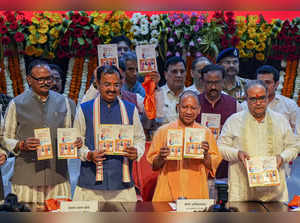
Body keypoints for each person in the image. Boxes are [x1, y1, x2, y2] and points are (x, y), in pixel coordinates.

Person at [2, 60, 82, 203]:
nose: (46, 82)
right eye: (40, 79)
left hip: (58, 176)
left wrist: (76, 141)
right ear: (29, 80)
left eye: (49, 78)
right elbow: (6, 138)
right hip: (26, 177)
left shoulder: (65, 102)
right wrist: (21, 145)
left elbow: (71, 133)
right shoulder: (16, 103)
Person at [73, 65, 145, 201]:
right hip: (90, 184)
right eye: (107, 84)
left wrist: (137, 151)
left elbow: (140, 138)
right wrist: (88, 154)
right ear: (98, 84)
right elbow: (76, 142)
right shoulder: (84, 109)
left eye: (116, 85)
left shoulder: (130, 109)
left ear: (121, 85)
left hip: (122, 184)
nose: (112, 89)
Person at [218, 80, 299, 202]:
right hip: (242, 189)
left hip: (274, 191)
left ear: (267, 98)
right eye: (253, 99)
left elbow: (293, 146)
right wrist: (237, 154)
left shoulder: (280, 120)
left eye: (262, 98)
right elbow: (220, 147)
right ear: (246, 99)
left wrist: (282, 157)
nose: (258, 103)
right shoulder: (234, 121)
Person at [146, 90, 222, 201]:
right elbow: (154, 166)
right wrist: (161, 157)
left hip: (196, 194)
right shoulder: (163, 131)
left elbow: (212, 166)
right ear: (178, 107)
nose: (188, 112)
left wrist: (205, 154)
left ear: (199, 110)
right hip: (167, 192)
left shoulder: (206, 133)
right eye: (184, 107)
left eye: (193, 108)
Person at [195, 64, 241, 198]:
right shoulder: (192, 103)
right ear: (202, 82)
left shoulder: (234, 105)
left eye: (217, 82)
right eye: (209, 82)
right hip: (198, 170)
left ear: (223, 82)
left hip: (225, 172)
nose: (213, 87)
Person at [241, 65, 298, 132]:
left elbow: (297, 132)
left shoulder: (290, 105)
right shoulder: (244, 106)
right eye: (260, 82)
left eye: (268, 82)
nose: (263, 86)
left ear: (276, 84)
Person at [155, 56, 186, 125]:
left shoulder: (193, 96)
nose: (179, 75)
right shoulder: (156, 94)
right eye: (174, 71)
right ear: (165, 74)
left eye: (182, 71)